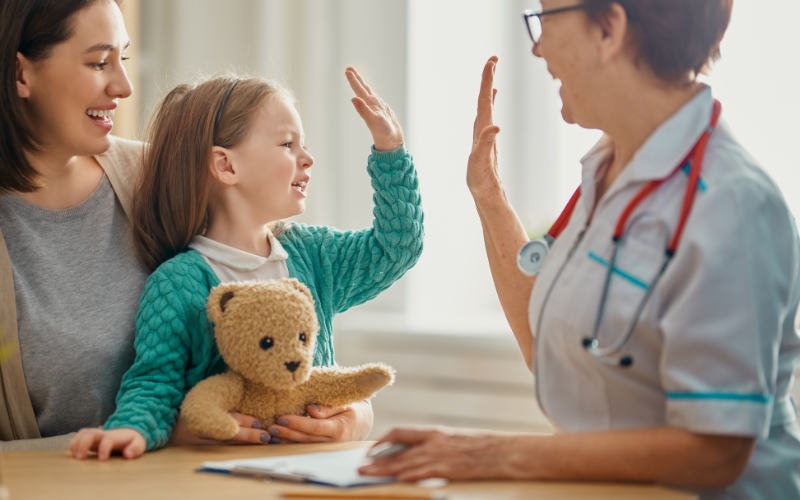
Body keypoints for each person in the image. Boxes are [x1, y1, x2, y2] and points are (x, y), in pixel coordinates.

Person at [360, 1, 800, 498]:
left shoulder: (732, 205)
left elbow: (715, 448)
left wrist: (493, 454)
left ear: (609, 28)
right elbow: (547, 345)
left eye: (546, 17)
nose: (537, 45)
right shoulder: (610, 177)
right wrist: (488, 193)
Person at [69, 69, 424, 460]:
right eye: (288, 144)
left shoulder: (314, 255)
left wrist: (390, 152)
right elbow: (156, 381)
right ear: (226, 165)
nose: (307, 158)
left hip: (311, 472)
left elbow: (399, 245)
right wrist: (130, 429)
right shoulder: (177, 284)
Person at [0, 0, 147, 451]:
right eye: (99, 62)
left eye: (122, 58)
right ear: (21, 74)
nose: (123, 86)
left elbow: (290, 282)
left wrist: (346, 416)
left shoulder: (156, 176)